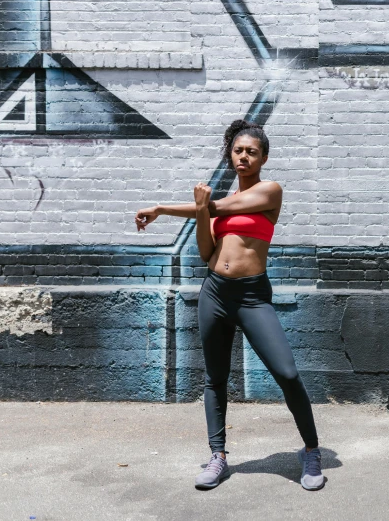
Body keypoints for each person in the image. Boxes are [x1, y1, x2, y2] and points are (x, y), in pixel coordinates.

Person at [134, 120, 324, 491]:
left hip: (252, 296)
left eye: (252, 151)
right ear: (230, 154)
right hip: (215, 293)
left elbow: (221, 205)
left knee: (286, 373)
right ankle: (218, 455)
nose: (244, 156)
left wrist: (162, 207)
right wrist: (202, 212)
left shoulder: (270, 191)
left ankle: (312, 450)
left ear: (263, 157)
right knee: (215, 378)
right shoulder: (213, 204)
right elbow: (206, 251)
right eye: (238, 150)